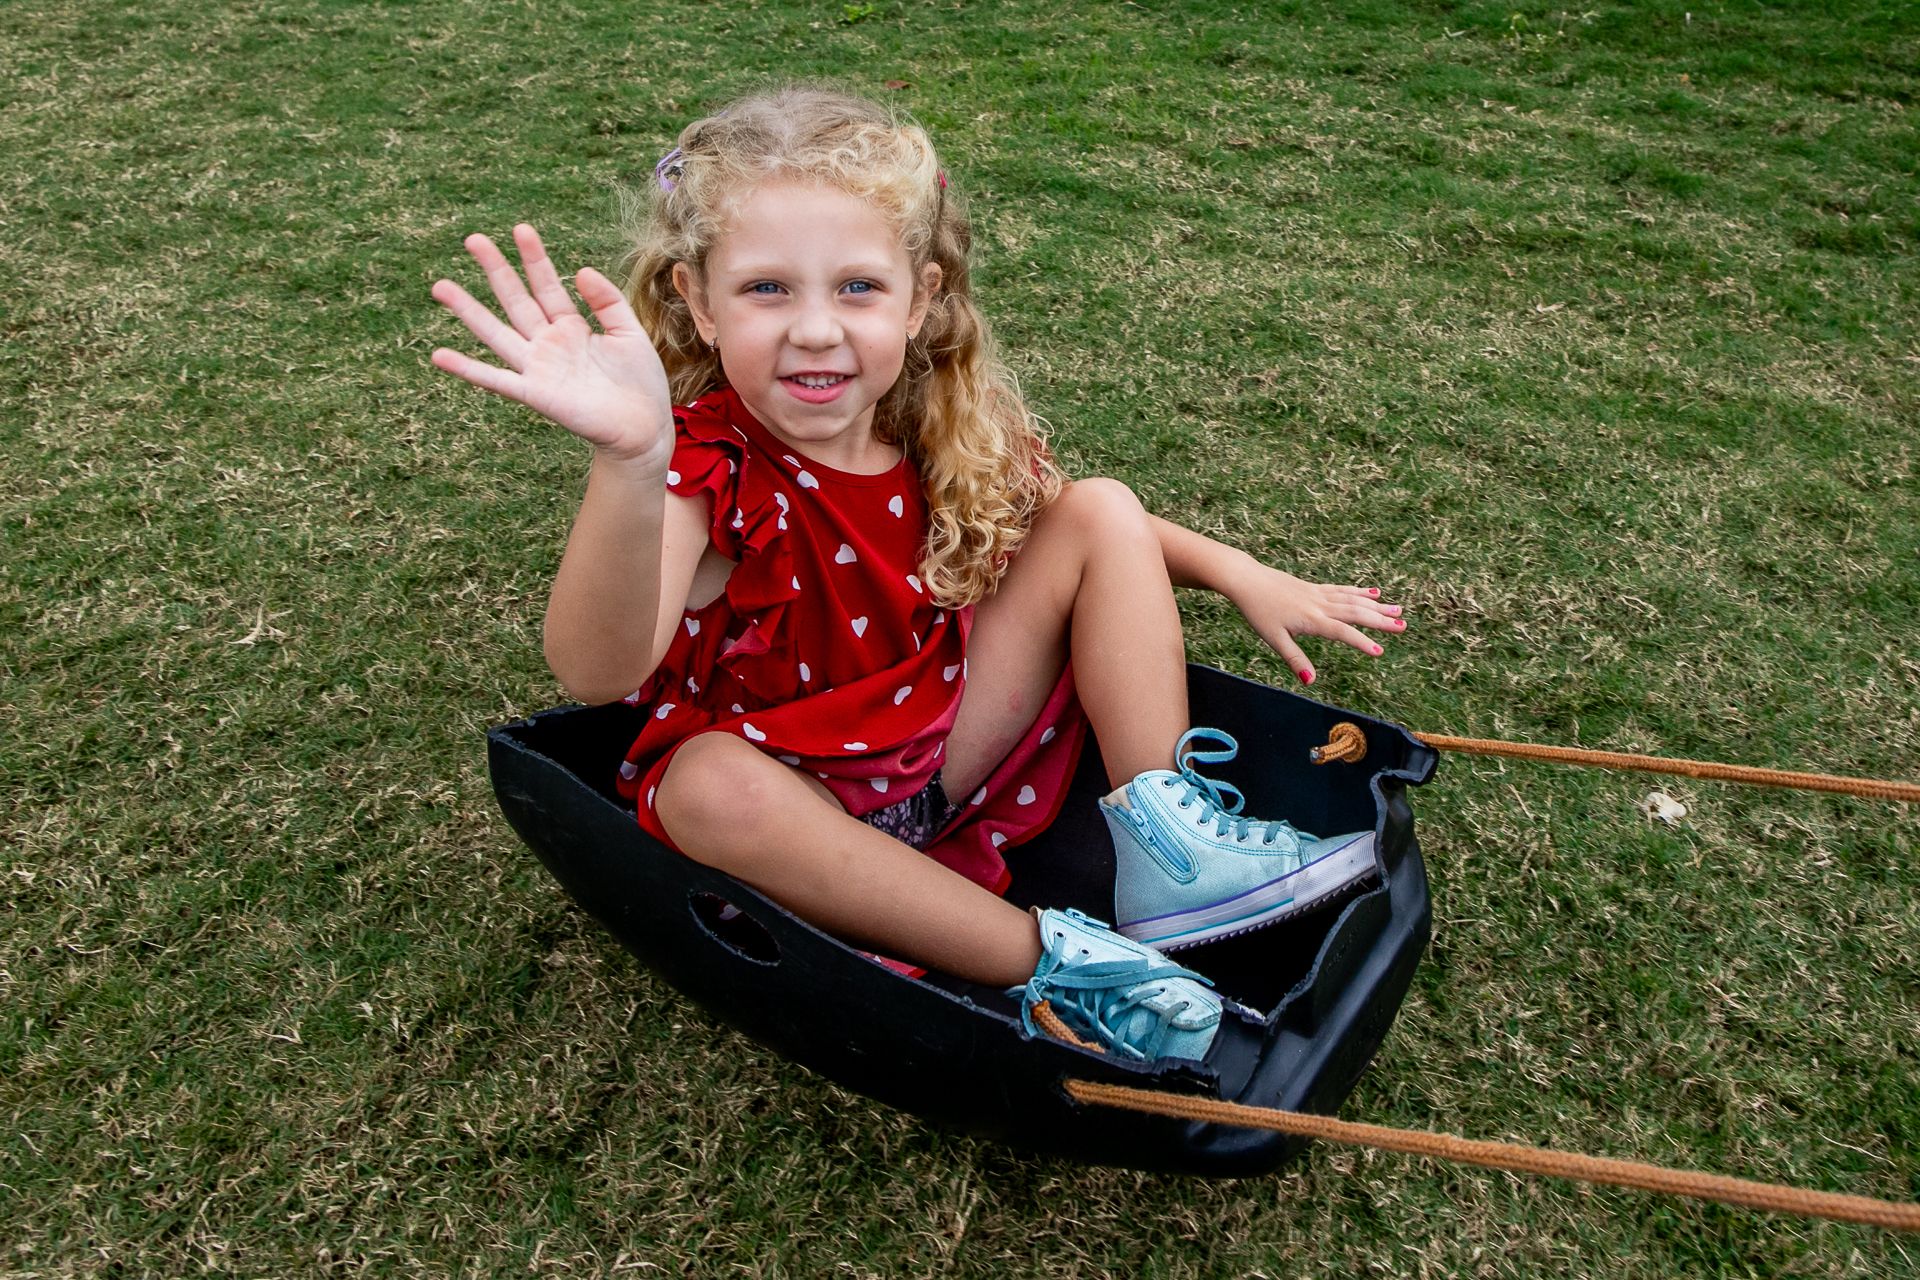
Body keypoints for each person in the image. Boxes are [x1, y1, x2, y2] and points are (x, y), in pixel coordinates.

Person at [429, 87, 1405, 1065]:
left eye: (857, 287)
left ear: (921, 296)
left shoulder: (929, 424)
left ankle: (1169, 851)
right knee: (703, 787)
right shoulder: (706, 468)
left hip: (939, 754)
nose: (816, 328)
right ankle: (1060, 963)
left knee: (1099, 507)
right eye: (767, 288)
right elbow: (597, 671)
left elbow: (1087, 528)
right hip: (803, 816)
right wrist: (632, 463)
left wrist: (1236, 571)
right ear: (698, 302)